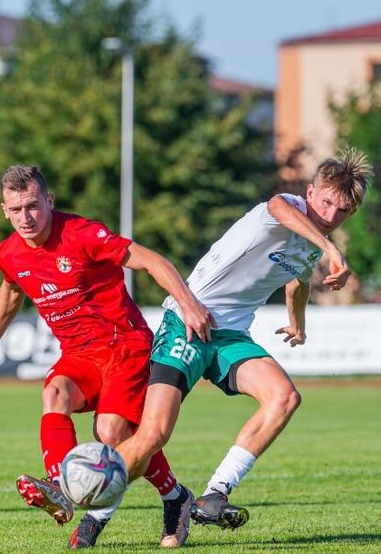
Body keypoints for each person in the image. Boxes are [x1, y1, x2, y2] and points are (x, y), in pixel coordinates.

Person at [114, 148, 366, 530]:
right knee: (153, 434)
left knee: (284, 397)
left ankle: (214, 494)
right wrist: (333, 248)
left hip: (229, 336)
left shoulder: (311, 244)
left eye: (342, 211)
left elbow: (297, 283)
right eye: (327, 202)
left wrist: (298, 323)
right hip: (187, 319)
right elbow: (280, 208)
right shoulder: (287, 207)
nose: (331, 216)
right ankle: (90, 500)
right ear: (311, 193)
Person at [0, 165, 212, 549]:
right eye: (15, 210)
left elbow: (151, 261)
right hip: (78, 354)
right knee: (54, 394)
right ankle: (62, 486)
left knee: (112, 433)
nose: (25, 218)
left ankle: (173, 496)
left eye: (32, 206)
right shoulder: (9, 253)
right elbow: (12, 290)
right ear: (4, 210)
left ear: (49, 201)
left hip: (124, 344)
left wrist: (189, 304)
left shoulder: (81, 234)